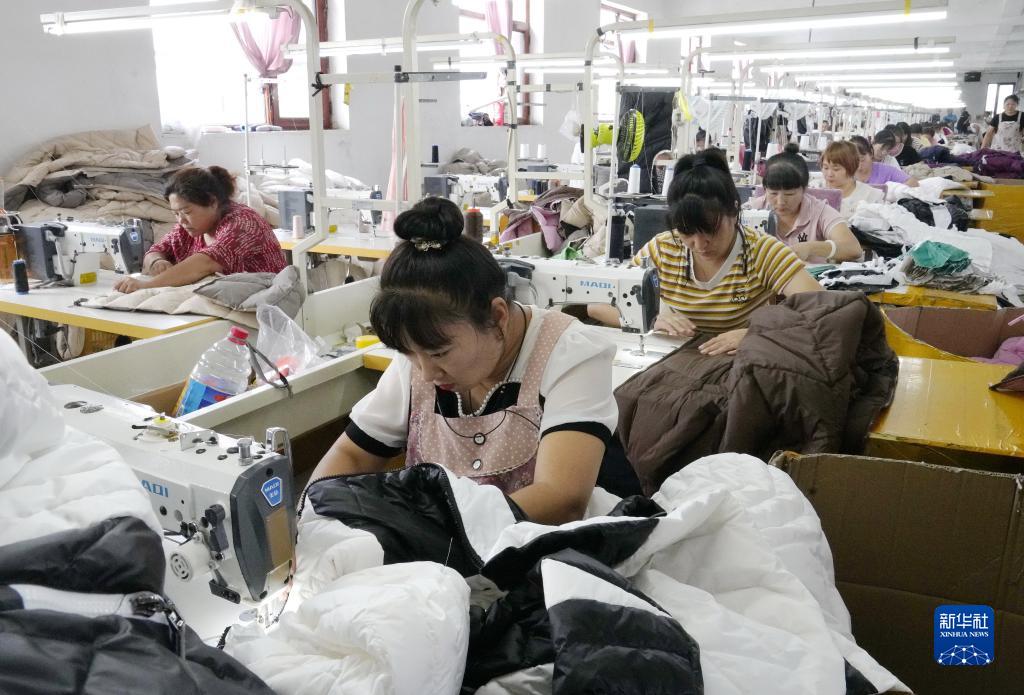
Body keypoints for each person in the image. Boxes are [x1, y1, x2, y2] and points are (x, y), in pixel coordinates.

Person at [310, 197, 617, 525]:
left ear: (497, 316)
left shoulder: (569, 353)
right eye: (409, 353)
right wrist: (313, 522)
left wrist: (431, 533)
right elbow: (352, 456)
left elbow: (561, 498)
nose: (426, 373)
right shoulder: (420, 356)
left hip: (544, 547)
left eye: (440, 353)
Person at [591, 149, 822, 355]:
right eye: (687, 232)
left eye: (711, 230)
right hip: (673, 359)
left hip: (734, 364)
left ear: (734, 212)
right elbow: (598, 305)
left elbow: (823, 310)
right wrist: (651, 319)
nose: (700, 244)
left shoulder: (762, 251)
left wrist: (757, 334)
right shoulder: (663, 249)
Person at [114, 166, 286, 293]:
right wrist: (157, 262)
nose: (181, 220)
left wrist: (147, 286)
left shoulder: (243, 223)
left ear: (212, 202)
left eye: (187, 212)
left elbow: (206, 263)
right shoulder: (189, 227)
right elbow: (155, 250)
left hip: (263, 307)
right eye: (176, 213)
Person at [746, 144, 862, 264]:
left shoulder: (819, 211)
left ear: (804, 189)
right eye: (773, 193)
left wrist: (810, 248)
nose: (780, 202)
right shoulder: (753, 209)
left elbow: (853, 249)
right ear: (765, 189)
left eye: (789, 194)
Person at [822, 140, 885, 220]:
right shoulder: (814, 192)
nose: (829, 174)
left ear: (852, 167)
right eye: (825, 168)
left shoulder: (871, 196)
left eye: (836, 169)